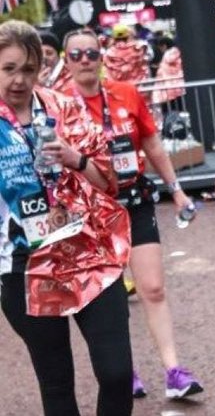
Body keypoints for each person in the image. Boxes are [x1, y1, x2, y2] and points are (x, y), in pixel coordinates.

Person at [62, 29, 204, 400]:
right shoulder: (60, 105)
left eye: (91, 52)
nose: (85, 60)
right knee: (110, 299)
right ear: (66, 60)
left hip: (135, 199)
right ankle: (126, 372)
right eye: (76, 54)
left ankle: (174, 370)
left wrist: (175, 189)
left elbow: (152, 144)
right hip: (93, 212)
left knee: (153, 287)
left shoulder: (126, 93)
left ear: (102, 56)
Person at [0, 20, 133, 415]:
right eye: (9, 69)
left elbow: (110, 180)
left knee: (117, 373)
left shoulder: (64, 108)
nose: (19, 80)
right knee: (57, 386)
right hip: (25, 265)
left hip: (88, 249)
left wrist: (74, 158)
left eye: (28, 68)